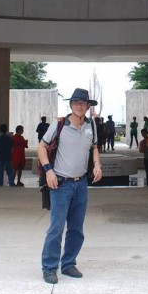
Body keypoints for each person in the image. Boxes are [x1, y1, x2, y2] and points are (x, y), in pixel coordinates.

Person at [38, 88, 103, 284]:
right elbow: (41, 147)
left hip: (81, 183)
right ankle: (49, 267)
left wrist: (97, 164)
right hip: (61, 183)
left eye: (83, 103)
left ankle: (68, 264)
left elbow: (94, 147)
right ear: (70, 105)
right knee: (56, 228)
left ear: (88, 106)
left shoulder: (91, 125)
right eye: (76, 103)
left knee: (76, 228)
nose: (79, 106)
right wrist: (49, 170)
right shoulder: (59, 125)